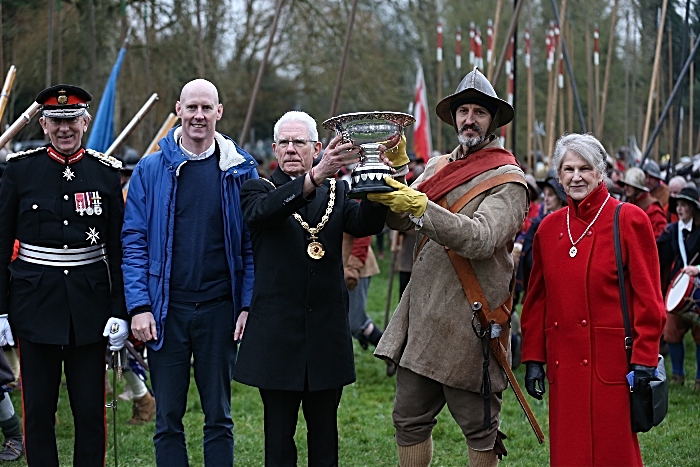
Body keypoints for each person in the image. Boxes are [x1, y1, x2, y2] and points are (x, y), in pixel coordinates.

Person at [372, 67, 528, 466]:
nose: (469, 118)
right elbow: (400, 221)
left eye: (478, 111)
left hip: (471, 325)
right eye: (463, 110)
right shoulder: (439, 166)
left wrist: (422, 204)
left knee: (480, 431)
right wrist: (394, 175)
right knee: (408, 421)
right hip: (423, 318)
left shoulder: (509, 181)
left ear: (492, 120)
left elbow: (480, 239)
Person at [232, 110, 389, 466]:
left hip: (325, 336)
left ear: (317, 147)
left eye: (299, 142)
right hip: (276, 337)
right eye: (284, 142)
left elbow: (366, 223)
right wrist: (316, 175)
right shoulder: (257, 188)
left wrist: (380, 181)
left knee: (325, 439)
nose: (290, 149)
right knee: (278, 440)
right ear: (273, 148)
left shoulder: (337, 190)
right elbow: (266, 213)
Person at [122, 79, 257, 466]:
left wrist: (247, 304)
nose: (199, 116)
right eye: (192, 107)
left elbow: (251, 246)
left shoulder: (239, 170)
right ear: (179, 110)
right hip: (167, 311)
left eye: (207, 108)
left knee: (219, 416)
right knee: (167, 417)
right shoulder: (151, 169)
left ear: (219, 113)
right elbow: (133, 243)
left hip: (219, 310)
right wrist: (139, 306)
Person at [0, 84, 129, 466]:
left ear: (85, 122)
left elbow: (119, 249)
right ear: (43, 124)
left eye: (72, 120)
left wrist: (120, 309)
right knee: (38, 413)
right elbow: (2, 240)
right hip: (34, 304)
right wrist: (1, 311)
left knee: (90, 412)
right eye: (56, 121)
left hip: (89, 309)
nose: (64, 128)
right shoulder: (21, 171)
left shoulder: (105, 174)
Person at [521, 133, 666, 466]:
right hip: (565, 366)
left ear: (601, 172)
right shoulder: (548, 228)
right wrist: (533, 357)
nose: (576, 176)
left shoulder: (629, 220)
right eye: (568, 168)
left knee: (613, 454)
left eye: (585, 168)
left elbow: (650, 300)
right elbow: (537, 301)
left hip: (612, 367)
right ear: (558, 175)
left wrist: (644, 359)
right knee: (570, 453)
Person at [657, 186, 700, 390]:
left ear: (693, 208)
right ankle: (678, 374)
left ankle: (699, 378)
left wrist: (697, 268)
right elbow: (656, 247)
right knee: (671, 331)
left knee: (699, 334)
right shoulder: (672, 230)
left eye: (684, 205)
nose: (680, 209)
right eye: (679, 205)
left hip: (697, 287)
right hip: (677, 286)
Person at [620, 167, 667, 237]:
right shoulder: (626, 202)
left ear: (637, 188)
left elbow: (659, 235)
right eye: (625, 185)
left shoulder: (653, 208)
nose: (625, 188)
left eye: (629, 185)